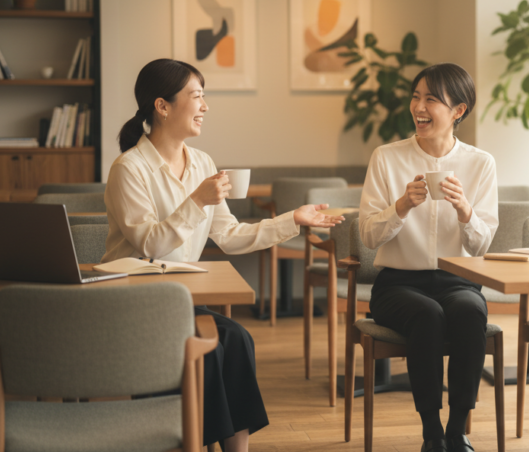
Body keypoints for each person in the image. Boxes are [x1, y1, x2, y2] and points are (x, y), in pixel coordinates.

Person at [104, 58, 344, 452]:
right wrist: (196, 200)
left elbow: (230, 235)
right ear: (162, 106)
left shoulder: (202, 163)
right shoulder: (128, 169)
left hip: (180, 299)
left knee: (237, 340)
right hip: (134, 301)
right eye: (196, 96)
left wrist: (293, 220)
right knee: (214, 348)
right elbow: (150, 243)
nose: (205, 106)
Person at [359, 63, 498, 452]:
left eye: (431, 100)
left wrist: (465, 210)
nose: (419, 106)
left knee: (470, 309)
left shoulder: (480, 163)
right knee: (427, 314)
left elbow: (482, 246)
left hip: (458, 281)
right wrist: (401, 206)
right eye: (416, 97)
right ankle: (431, 431)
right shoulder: (387, 158)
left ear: (458, 111)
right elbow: (368, 235)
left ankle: (457, 430)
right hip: (398, 285)